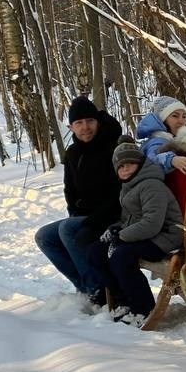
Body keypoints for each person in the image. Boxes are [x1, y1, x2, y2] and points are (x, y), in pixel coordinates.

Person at [34, 96, 121, 305]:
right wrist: (75, 214)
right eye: (79, 123)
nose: (85, 127)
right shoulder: (73, 153)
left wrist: (92, 222)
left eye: (90, 121)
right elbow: (70, 191)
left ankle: (98, 291)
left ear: (98, 122)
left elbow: (122, 193)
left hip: (115, 215)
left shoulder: (115, 147)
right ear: (71, 127)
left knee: (67, 229)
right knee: (45, 236)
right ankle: (85, 286)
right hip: (87, 217)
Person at [87, 138, 184, 324]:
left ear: (140, 164)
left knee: (121, 256)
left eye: (130, 164)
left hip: (166, 236)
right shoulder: (129, 186)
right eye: (121, 166)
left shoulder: (151, 185)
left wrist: (121, 236)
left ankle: (143, 308)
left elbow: (152, 223)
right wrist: (116, 229)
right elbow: (130, 219)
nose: (126, 169)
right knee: (96, 252)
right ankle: (123, 300)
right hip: (146, 235)